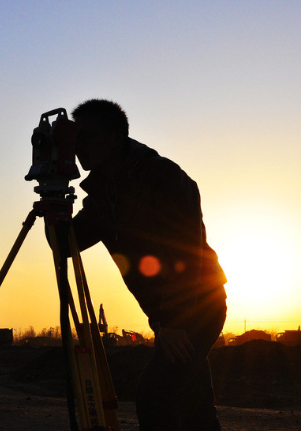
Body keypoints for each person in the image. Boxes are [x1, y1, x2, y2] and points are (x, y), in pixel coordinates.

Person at [69, 99, 227, 430]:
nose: (77, 145)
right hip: (170, 314)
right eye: (74, 136)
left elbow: (186, 254)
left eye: (86, 135)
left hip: (198, 304)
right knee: (195, 406)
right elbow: (67, 244)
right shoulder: (103, 193)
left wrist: (171, 322)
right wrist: (54, 196)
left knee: (154, 394)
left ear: (113, 137)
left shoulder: (163, 176)